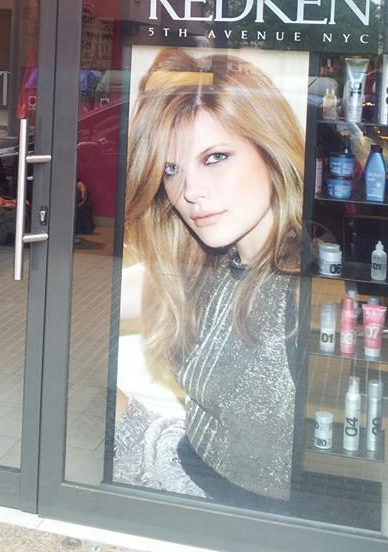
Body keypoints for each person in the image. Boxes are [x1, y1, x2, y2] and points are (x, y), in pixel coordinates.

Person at [114, 48, 305, 506]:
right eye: (171, 169)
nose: (190, 193)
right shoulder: (210, 262)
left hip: (234, 517)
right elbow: (82, 301)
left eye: (215, 157)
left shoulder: (302, 290)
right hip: (183, 463)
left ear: (270, 151)